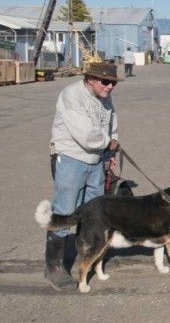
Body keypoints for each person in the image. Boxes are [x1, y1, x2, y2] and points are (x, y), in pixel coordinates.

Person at [45, 62, 121, 291]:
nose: (110, 86)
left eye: (113, 83)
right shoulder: (72, 95)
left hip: (96, 161)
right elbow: (86, 134)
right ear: (91, 79)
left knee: (93, 213)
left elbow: (111, 127)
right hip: (71, 159)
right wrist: (108, 143)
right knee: (65, 211)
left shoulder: (105, 98)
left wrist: (109, 154)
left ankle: (87, 257)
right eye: (106, 82)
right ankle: (54, 268)